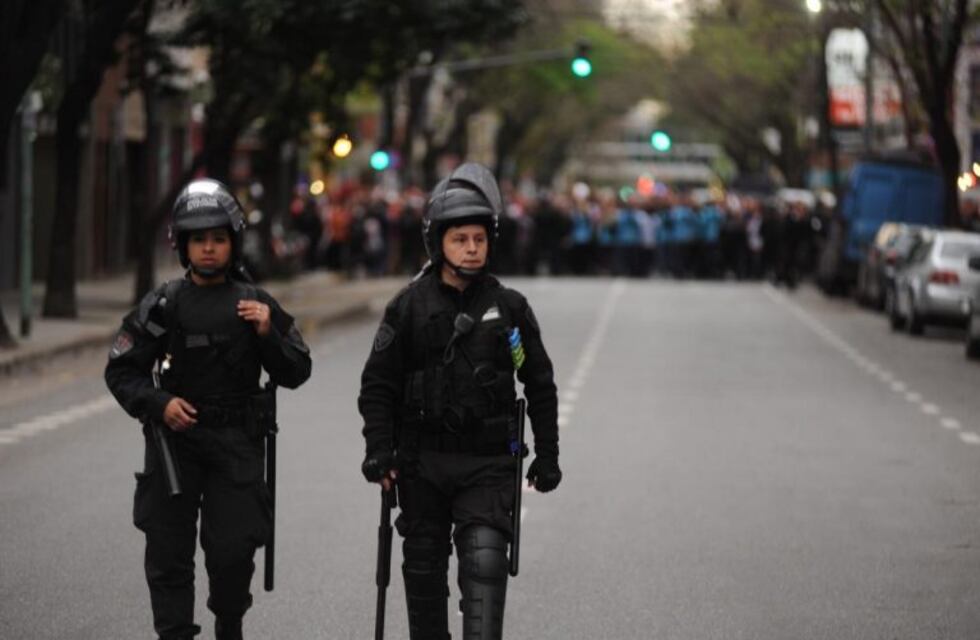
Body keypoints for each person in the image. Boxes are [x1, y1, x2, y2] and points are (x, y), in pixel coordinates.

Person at [358, 163, 562, 640]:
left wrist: (548, 454)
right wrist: (378, 450)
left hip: (488, 461)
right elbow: (378, 386)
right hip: (421, 463)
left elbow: (539, 381)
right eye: (460, 239)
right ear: (439, 244)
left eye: (479, 238)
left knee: (485, 563)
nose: (471, 248)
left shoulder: (509, 309)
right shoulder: (407, 306)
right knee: (424, 574)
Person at [104, 178, 312, 640]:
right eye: (199, 240)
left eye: (219, 239)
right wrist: (159, 404)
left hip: (237, 443)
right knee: (168, 551)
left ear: (234, 242)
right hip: (174, 445)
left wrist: (267, 335)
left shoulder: (255, 302)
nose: (210, 249)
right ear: (184, 246)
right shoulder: (164, 304)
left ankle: (229, 622)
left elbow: (298, 370)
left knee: (234, 552)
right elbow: (120, 372)